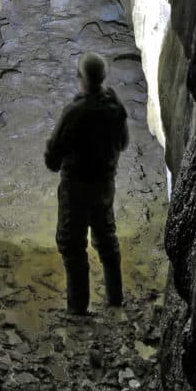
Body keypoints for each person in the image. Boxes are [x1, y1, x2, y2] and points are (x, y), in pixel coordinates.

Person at [44, 51, 128, 315]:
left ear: (81, 78)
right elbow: (123, 143)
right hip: (104, 186)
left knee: (73, 245)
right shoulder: (115, 108)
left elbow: (52, 157)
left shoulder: (74, 112)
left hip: (76, 189)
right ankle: (115, 299)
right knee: (107, 240)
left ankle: (78, 307)